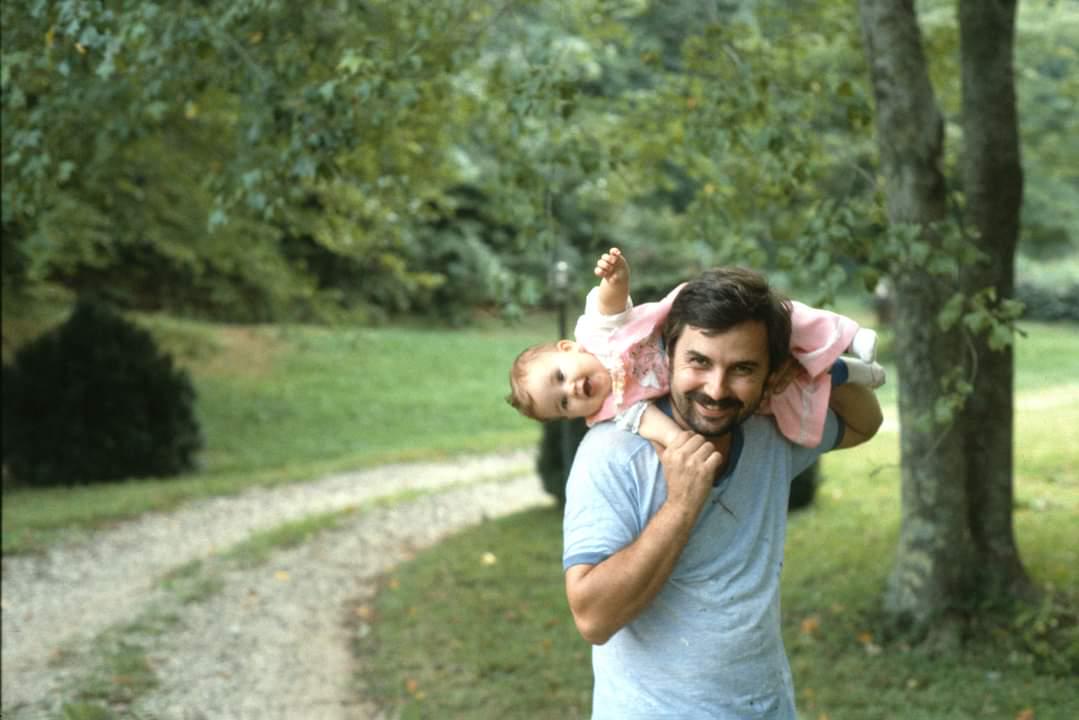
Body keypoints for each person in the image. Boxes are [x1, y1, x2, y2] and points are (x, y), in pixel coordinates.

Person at [560, 265, 884, 719]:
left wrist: (817, 362)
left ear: (770, 374)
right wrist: (683, 503)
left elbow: (863, 424)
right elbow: (593, 618)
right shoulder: (612, 453)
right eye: (699, 361)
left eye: (743, 368)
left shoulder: (771, 432)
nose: (715, 389)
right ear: (666, 352)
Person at [506, 248, 884, 448]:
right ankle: (844, 371)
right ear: (572, 418)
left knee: (777, 317)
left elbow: (611, 304)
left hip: (686, 318)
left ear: (569, 347)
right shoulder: (613, 412)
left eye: (560, 377)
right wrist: (678, 443)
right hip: (688, 361)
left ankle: (847, 337)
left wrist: (616, 277)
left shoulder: (597, 336)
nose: (571, 390)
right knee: (782, 390)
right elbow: (648, 422)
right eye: (563, 404)